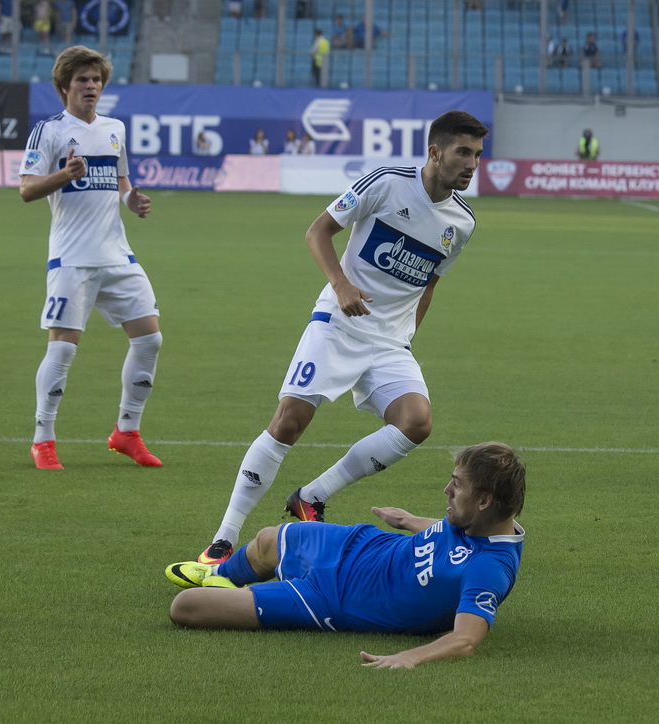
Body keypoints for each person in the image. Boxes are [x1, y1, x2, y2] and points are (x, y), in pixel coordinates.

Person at [194, 110, 489, 566]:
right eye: (463, 153)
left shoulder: (462, 223)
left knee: (416, 422)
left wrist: (407, 334)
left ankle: (310, 496)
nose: (471, 164)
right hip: (338, 322)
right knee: (288, 422)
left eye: (477, 155)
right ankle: (224, 537)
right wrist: (341, 285)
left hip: (390, 342)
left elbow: (430, 282)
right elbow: (318, 231)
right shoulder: (387, 183)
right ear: (435, 152)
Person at [166, 442, 525, 669]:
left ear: (483, 501)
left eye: (457, 485)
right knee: (266, 541)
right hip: (358, 545)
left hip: (334, 598)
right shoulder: (480, 520)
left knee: (186, 606)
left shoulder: (489, 568)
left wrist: (409, 657)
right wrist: (408, 520)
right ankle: (222, 575)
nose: (447, 490)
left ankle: (233, 592)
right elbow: (452, 533)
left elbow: (466, 639)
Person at [19, 45, 163, 470]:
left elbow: (121, 181)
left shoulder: (114, 128)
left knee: (150, 339)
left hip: (117, 255)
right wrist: (64, 175)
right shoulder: (48, 131)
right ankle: (42, 439)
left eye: (96, 80)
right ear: (65, 85)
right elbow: (27, 189)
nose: (91, 86)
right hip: (71, 259)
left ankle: (126, 432)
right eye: (83, 80)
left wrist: (131, 200)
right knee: (62, 350)